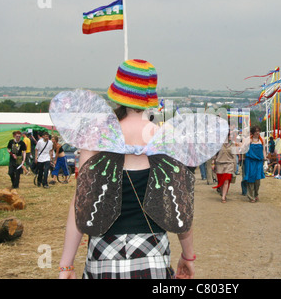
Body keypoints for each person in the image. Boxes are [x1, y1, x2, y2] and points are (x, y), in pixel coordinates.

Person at [58, 59, 195, 279]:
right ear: (150, 96)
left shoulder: (96, 136)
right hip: (153, 253)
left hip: (103, 253)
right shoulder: (166, 137)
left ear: (116, 94)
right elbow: (180, 205)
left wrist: (66, 265)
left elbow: (80, 204)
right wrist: (188, 256)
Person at [242, 125, 266, 203]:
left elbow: (264, 150)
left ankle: (256, 194)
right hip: (250, 161)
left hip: (259, 161)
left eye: (258, 131)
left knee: (257, 180)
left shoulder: (262, 140)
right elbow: (243, 148)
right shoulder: (249, 139)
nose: (257, 133)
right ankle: (251, 196)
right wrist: (248, 142)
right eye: (256, 131)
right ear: (253, 132)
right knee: (250, 178)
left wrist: (264, 158)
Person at [213, 134, 236, 203]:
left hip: (229, 164)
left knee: (226, 180)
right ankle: (222, 192)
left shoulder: (233, 144)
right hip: (219, 164)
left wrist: (234, 167)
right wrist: (213, 163)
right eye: (229, 135)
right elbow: (214, 154)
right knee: (221, 181)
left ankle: (223, 196)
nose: (230, 137)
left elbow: (234, 156)